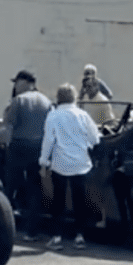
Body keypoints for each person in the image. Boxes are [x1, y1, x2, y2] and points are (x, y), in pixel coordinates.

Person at [39, 83, 101, 250]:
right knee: (79, 201)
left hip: (60, 163)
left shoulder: (53, 116)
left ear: (58, 98)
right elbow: (95, 138)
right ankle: (79, 236)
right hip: (81, 163)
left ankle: (57, 237)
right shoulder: (83, 115)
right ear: (74, 97)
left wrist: (43, 162)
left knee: (58, 201)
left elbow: (48, 141)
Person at [2, 69, 52, 241]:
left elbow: (9, 127)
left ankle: (3, 225)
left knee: (11, 186)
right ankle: (32, 231)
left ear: (24, 82)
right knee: (34, 188)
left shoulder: (18, 101)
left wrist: (4, 145)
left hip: (19, 146)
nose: (15, 86)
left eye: (17, 82)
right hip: (38, 146)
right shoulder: (46, 101)